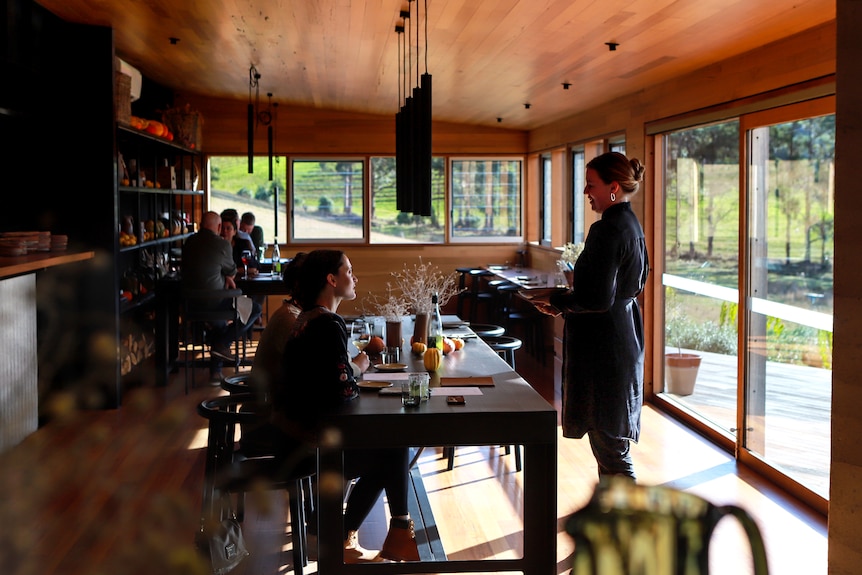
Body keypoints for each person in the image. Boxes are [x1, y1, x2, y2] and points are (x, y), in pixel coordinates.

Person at [275, 249, 418, 563]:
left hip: (294, 434)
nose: (354, 278)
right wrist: (355, 380)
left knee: (391, 446)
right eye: (349, 271)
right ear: (331, 279)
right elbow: (343, 389)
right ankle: (375, 535)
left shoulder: (308, 319)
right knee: (394, 447)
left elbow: (336, 382)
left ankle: (378, 534)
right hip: (309, 444)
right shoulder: (327, 324)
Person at [535, 152, 650, 480]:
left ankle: (627, 527)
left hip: (605, 350)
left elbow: (596, 298)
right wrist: (564, 301)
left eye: (590, 185)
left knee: (611, 450)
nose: (586, 192)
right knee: (611, 445)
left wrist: (557, 298)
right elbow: (631, 283)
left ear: (614, 187)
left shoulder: (607, 229)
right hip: (623, 337)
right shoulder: (631, 225)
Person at [182, 211, 260, 381]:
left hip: (190, 304)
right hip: (215, 302)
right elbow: (231, 270)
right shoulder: (221, 244)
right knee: (255, 308)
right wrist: (226, 276)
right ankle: (222, 344)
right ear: (218, 227)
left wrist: (222, 275)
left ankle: (215, 370)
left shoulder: (189, 242)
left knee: (218, 325)